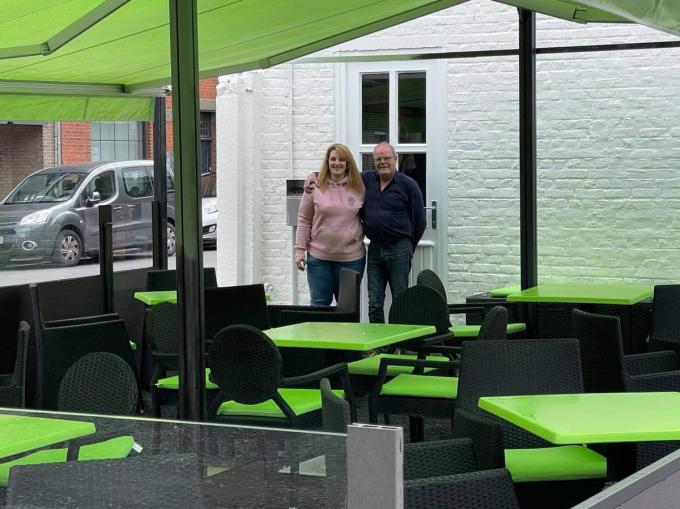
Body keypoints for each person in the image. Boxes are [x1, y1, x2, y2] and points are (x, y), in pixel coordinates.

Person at [306, 141, 426, 322]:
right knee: (375, 301)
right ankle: (377, 346)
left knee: (400, 298)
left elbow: (420, 221)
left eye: (386, 158)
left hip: (399, 249)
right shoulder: (365, 180)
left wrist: (408, 246)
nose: (382, 162)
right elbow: (339, 172)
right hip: (375, 248)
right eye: (378, 159)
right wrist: (314, 175)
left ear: (395, 159)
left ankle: (401, 345)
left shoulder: (408, 185)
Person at [295, 143, 366, 306]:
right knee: (319, 307)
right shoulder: (314, 186)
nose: (337, 163)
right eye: (333, 159)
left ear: (348, 163)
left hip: (351, 259)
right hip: (319, 259)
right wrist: (299, 250)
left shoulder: (360, 186)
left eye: (342, 159)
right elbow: (304, 219)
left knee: (347, 309)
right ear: (327, 162)